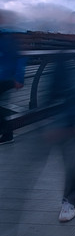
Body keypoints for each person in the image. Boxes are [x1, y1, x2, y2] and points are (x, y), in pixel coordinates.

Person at [0, 13, 26, 145]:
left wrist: (18, 78)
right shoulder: (7, 36)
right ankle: (7, 133)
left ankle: (7, 134)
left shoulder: (6, 37)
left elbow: (19, 57)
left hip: (5, 77)